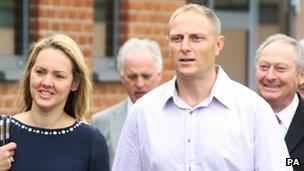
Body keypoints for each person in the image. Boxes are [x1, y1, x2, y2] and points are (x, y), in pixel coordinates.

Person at [112, 4, 291, 171]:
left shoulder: (253, 111)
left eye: (196, 38)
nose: (185, 47)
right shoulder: (143, 112)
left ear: (218, 45)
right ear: (168, 45)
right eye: (177, 38)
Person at [0, 34, 109, 171]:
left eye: (59, 76)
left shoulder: (90, 141)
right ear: (29, 74)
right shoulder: (3, 131)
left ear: (74, 83)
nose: (46, 83)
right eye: (40, 72)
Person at [91, 37, 163, 167]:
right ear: (122, 76)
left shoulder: (176, 116)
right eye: (132, 76)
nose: (140, 84)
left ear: (159, 75)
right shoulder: (101, 122)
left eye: (146, 76)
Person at [255, 34, 304, 171]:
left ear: (301, 76)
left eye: (280, 68)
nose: (270, 76)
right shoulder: (237, 118)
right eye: (264, 67)